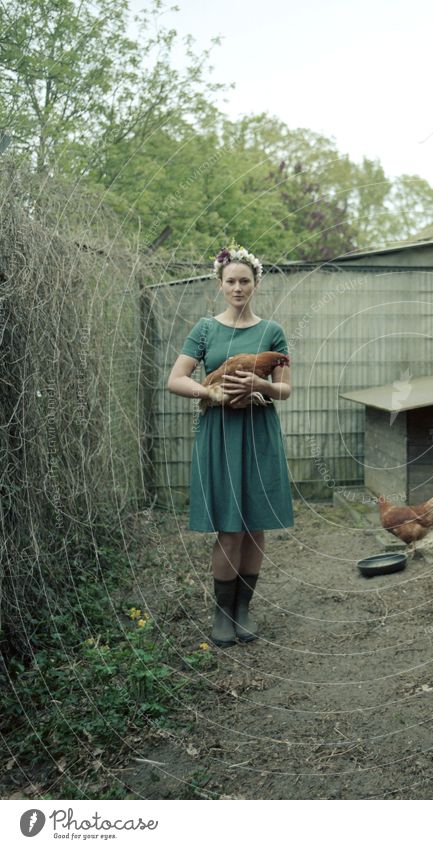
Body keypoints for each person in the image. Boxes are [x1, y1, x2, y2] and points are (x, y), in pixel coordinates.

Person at [167, 244, 293, 647]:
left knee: (255, 528)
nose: (238, 287)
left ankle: (244, 609)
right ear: (220, 285)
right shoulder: (205, 329)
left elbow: (286, 390)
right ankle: (222, 613)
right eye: (231, 281)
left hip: (258, 433)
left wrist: (263, 386)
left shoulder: (272, 332)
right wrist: (213, 395)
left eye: (245, 281)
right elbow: (176, 379)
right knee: (229, 530)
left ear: (255, 284)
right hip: (220, 433)